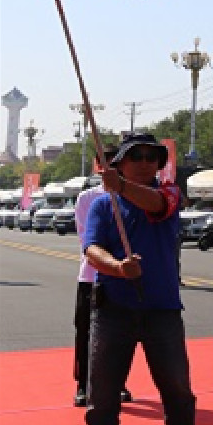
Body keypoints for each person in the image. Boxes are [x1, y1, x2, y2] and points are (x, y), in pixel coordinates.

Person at [82, 132, 198, 425]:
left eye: (152, 157)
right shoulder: (103, 205)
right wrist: (117, 268)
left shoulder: (169, 194)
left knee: (177, 389)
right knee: (102, 395)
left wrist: (121, 186)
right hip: (112, 310)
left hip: (161, 309)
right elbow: (91, 249)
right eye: (137, 156)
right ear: (119, 164)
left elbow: (157, 206)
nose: (146, 163)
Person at [72, 144, 132, 408]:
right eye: (104, 161)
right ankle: (83, 385)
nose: (109, 166)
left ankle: (118, 383)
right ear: (97, 165)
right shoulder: (88, 198)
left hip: (124, 277)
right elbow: (88, 238)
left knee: (123, 335)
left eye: (114, 161)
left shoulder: (132, 196)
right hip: (92, 277)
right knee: (85, 333)